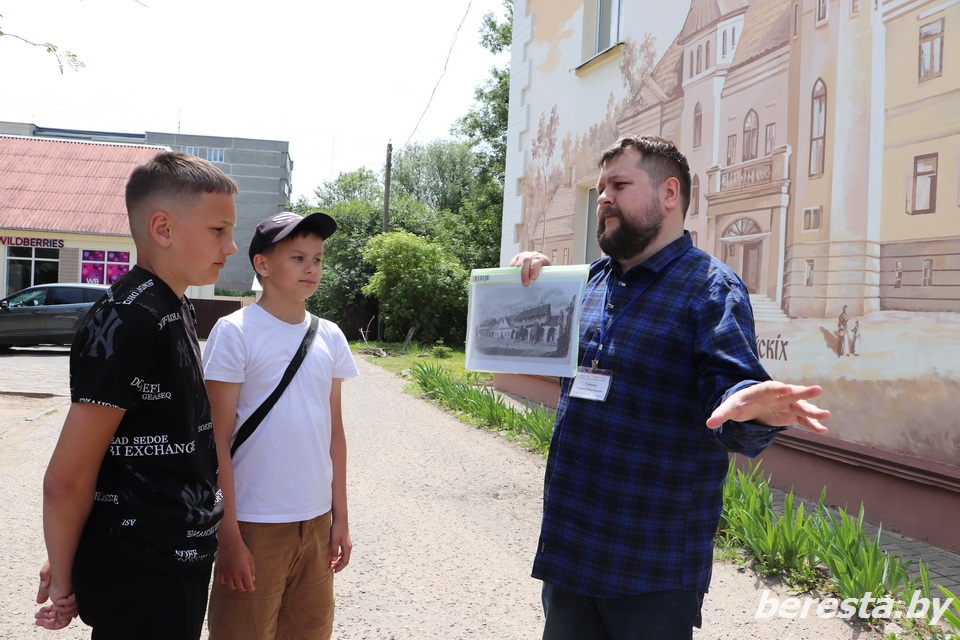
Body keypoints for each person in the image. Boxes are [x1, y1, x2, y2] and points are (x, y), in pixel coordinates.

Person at [511, 135, 830, 640]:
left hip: (651, 570)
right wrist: (530, 285)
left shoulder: (710, 288)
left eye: (619, 185)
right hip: (571, 547)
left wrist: (750, 406)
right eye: (601, 188)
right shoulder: (589, 281)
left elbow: (732, 399)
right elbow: (532, 343)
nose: (603, 198)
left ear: (669, 193)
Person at [35, 152, 238, 638]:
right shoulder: (130, 318)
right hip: (142, 569)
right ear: (162, 228)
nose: (231, 246)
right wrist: (63, 575)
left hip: (176, 557)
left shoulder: (174, 305)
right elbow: (67, 478)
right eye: (218, 230)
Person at [202, 211, 358, 640]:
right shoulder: (235, 332)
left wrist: (340, 519)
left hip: (316, 521)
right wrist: (228, 536)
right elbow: (215, 439)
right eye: (298, 257)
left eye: (318, 259)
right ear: (263, 265)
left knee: (310, 632)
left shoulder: (330, 335)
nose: (312, 268)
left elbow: (334, 433)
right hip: (254, 522)